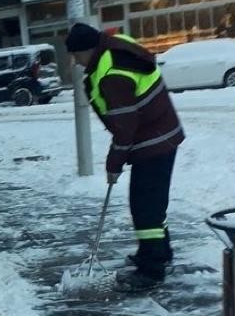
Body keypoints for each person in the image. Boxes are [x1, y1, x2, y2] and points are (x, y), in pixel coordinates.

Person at [64, 23, 185, 291]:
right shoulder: (112, 47)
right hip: (158, 135)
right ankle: (157, 252)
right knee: (152, 202)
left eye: (76, 55)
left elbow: (125, 125)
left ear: (88, 50)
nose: (76, 61)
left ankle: (151, 271)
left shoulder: (111, 73)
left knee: (145, 208)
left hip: (152, 140)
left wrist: (114, 163)